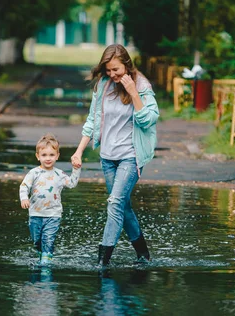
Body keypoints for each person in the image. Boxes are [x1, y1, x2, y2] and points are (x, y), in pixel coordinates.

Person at [71, 44, 159, 266]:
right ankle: (143, 255)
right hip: (108, 157)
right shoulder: (103, 85)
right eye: (108, 70)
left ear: (127, 66)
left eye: (116, 70)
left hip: (131, 156)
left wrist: (133, 92)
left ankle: (103, 262)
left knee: (115, 203)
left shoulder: (142, 86)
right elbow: (92, 120)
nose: (112, 75)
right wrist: (79, 151)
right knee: (122, 205)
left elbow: (147, 120)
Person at [20, 133, 81, 266]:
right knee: (37, 241)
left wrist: (76, 170)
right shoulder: (34, 173)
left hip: (53, 215)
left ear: (57, 156)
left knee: (48, 239)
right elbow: (24, 186)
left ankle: (46, 263)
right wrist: (24, 198)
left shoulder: (59, 174)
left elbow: (71, 183)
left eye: (51, 155)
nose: (48, 158)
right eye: (44, 155)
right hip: (35, 213)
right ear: (38, 156)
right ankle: (42, 254)